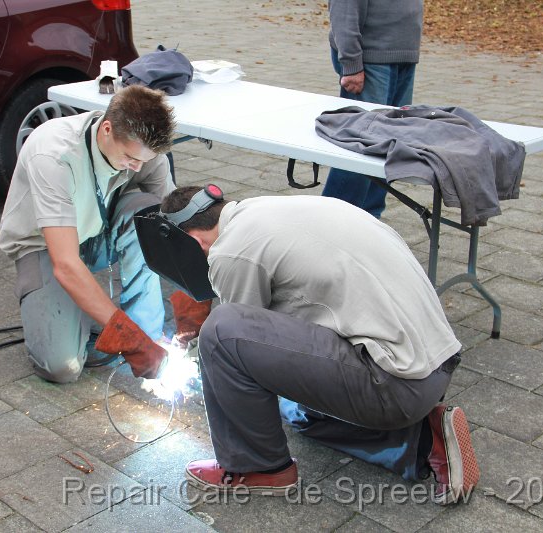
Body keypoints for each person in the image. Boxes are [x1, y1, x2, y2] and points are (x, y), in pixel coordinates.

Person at [161, 186, 479, 505]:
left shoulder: (230, 250)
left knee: (220, 330)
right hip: (436, 364)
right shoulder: (268, 209)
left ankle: (257, 467)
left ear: (193, 241)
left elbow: (234, 346)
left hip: (396, 387)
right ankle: (427, 440)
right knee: (299, 414)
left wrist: (208, 373)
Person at [0, 85, 175, 383]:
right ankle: (125, 334)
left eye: (145, 160)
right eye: (131, 158)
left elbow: (170, 227)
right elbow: (66, 264)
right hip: (43, 244)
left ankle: (147, 334)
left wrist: (196, 292)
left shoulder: (144, 152)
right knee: (62, 367)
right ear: (106, 129)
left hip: (96, 228)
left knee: (148, 211)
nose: (138, 166)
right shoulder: (55, 156)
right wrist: (126, 339)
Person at [322, 0, 423, 218]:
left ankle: (369, 219)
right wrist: (351, 64)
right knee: (361, 146)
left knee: (387, 145)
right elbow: (345, 8)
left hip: (402, 56)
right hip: (370, 61)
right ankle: (331, 221)